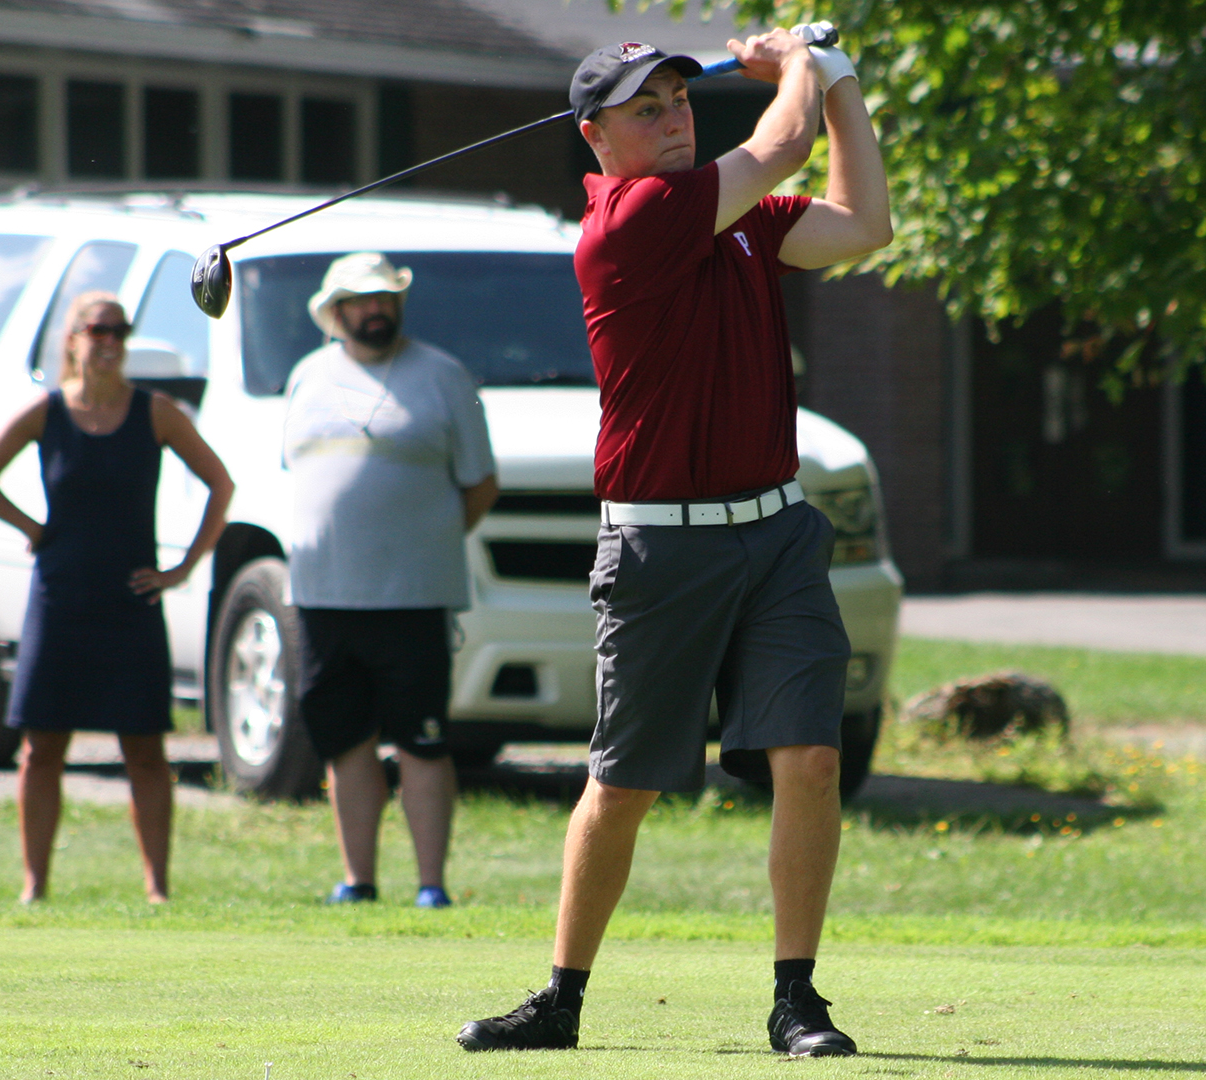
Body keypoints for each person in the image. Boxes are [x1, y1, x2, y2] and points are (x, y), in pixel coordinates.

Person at [457, 25, 890, 1056]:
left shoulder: (736, 224)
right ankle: (560, 999)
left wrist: (842, 84)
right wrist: (801, 68)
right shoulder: (630, 220)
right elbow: (779, 148)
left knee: (813, 761)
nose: (675, 120)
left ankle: (796, 999)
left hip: (776, 534)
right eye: (647, 108)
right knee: (626, 782)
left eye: (684, 102)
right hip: (660, 550)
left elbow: (863, 225)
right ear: (595, 136)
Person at [0, 291, 235, 904]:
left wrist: (182, 567)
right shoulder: (47, 413)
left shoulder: (155, 412)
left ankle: (157, 889)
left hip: (131, 599)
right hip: (59, 596)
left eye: (119, 330)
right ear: (73, 339)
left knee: (143, 747)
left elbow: (221, 484)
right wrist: (32, 529)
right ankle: (35, 887)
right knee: (42, 747)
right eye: (97, 329)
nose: (109, 341)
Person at [281, 252, 499, 909]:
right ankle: (359, 880)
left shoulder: (443, 376)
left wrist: (420, 542)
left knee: (422, 741)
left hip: (414, 597)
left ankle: (431, 885)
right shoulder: (306, 377)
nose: (376, 309)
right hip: (323, 594)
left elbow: (480, 484)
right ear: (336, 311)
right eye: (361, 300)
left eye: (385, 298)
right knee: (344, 739)